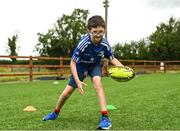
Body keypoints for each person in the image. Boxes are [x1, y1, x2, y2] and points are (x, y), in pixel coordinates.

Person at [42, 15, 124, 130]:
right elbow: (72, 63)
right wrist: (78, 82)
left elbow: (112, 58)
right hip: (81, 66)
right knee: (67, 93)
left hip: (95, 65)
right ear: (89, 31)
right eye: (95, 32)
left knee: (97, 83)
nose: (98, 35)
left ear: (104, 30)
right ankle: (55, 113)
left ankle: (105, 117)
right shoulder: (83, 43)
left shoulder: (105, 44)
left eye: (101, 31)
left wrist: (123, 68)